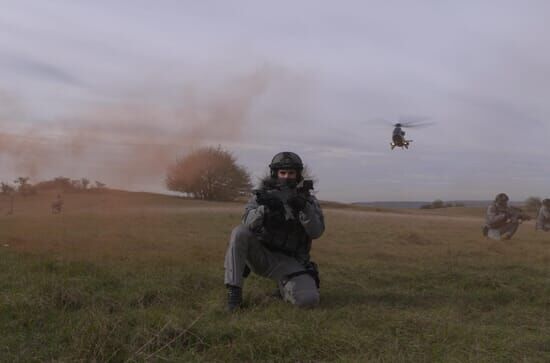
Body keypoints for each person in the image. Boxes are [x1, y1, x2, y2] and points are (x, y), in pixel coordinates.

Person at [224, 152, 325, 311]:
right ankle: (234, 294)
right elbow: (246, 223)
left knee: (308, 300)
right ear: (275, 173)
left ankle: (285, 287)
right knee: (239, 232)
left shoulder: (308, 200)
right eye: (282, 172)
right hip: (263, 257)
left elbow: (316, 232)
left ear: (297, 175)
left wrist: (304, 208)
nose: (286, 177)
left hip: (292, 261)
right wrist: (265, 209)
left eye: (291, 173)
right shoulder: (262, 196)